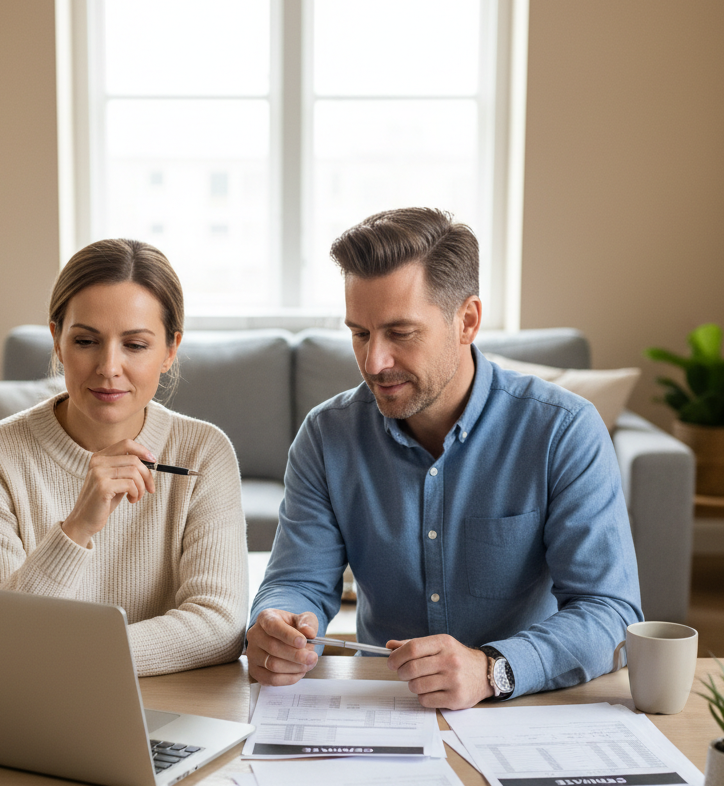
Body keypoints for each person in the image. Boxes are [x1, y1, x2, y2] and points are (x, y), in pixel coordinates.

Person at [247, 208, 642, 708]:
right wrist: (280, 622)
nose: (374, 363)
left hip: (524, 703)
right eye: (360, 333)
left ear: (467, 321)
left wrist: (493, 669)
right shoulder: (328, 435)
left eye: (401, 333)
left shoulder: (563, 430)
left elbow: (610, 612)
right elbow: (296, 581)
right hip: (383, 706)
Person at [0, 238, 248, 676]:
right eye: (86, 340)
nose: (108, 367)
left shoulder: (204, 452)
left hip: (171, 703)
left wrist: (76, 655)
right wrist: (77, 528)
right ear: (57, 341)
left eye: (136, 345)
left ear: (170, 350)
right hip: (30, 705)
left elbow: (219, 624)